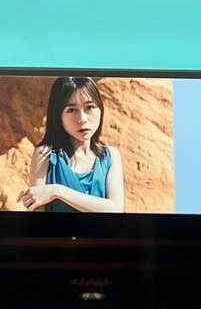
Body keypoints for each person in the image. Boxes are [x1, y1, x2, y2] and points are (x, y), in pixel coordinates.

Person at [19, 76, 125, 214]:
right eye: (71, 110)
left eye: (89, 107)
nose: (82, 119)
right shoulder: (45, 155)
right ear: (58, 117)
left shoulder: (110, 156)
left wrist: (57, 191)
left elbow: (115, 209)